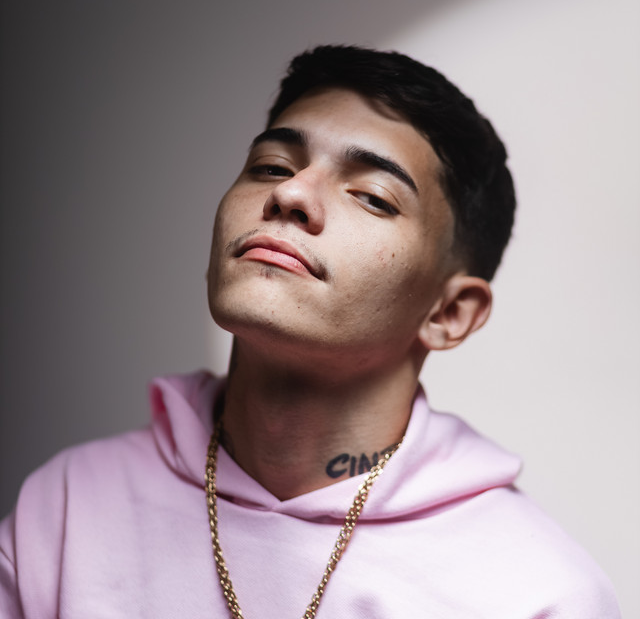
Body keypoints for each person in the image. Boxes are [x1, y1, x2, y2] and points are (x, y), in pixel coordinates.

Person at [0, 45, 620, 618]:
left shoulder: (538, 594)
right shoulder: (64, 509)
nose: (291, 193)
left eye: (372, 196)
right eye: (270, 166)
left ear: (448, 313)